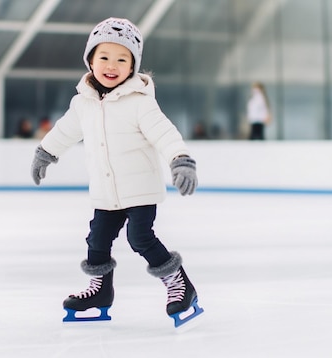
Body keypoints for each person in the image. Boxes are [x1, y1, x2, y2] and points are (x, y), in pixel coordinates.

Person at [30, 17, 203, 328]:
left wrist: (180, 160)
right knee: (96, 239)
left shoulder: (140, 103)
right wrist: (46, 152)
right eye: (104, 57)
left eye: (122, 59)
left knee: (140, 238)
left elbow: (165, 134)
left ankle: (180, 284)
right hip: (105, 192)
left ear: (133, 65)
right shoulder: (82, 104)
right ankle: (100, 290)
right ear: (91, 61)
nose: (112, 65)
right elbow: (65, 131)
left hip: (139, 189)